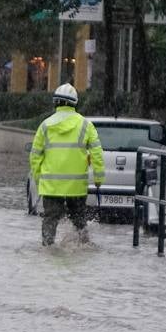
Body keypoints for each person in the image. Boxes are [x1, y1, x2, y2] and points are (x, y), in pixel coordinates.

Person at [29, 83, 105, 246]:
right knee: (79, 220)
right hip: (76, 187)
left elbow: (35, 156)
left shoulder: (45, 126)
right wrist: (98, 178)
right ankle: (84, 246)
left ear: (56, 102)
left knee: (50, 220)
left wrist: (38, 179)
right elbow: (97, 154)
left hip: (51, 186)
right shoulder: (86, 125)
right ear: (75, 103)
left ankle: (48, 248)